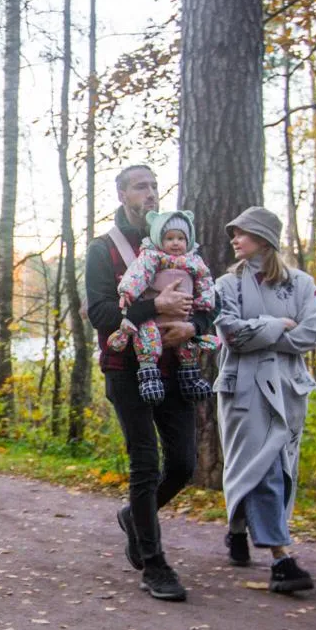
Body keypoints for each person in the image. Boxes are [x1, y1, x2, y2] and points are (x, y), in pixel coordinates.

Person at [86, 165, 215, 602]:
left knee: (182, 465)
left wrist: (194, 327)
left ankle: (133, 517)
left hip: (176, 365)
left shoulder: (182, 249)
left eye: (156, 185)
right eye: (142, 186)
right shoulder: (104, 250)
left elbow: (206, 307)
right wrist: (152, 306)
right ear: (123, 194)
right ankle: (154, 563)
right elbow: (101, 315)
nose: (152, 193)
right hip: (127, 367)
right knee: (144, 462)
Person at [213, 206, 316, 594]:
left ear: (263, 238)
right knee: (261, 467)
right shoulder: (226, 286)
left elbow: (310, 334)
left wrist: (258, 332)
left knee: (280, 466)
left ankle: (238, 528)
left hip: (289, 388)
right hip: (244, 388)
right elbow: (230, 334)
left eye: (241, 232)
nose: (234, 239)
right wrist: (278, 325)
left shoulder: (302, 283)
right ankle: (281, 559)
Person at [111, 210, 219, 403]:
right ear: (159, 240)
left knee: (188, 346)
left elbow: (206, 281)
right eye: (169, 238)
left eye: (180, 238)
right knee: (147, 338)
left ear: (189, 241)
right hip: (153, 318)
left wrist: (205, 302)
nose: (175, 243)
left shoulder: (195, 261)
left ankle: (191, 378)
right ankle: (150, 376)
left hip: (183, 318)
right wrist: (127, 291)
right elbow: (138, 274)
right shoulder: (152, 257)